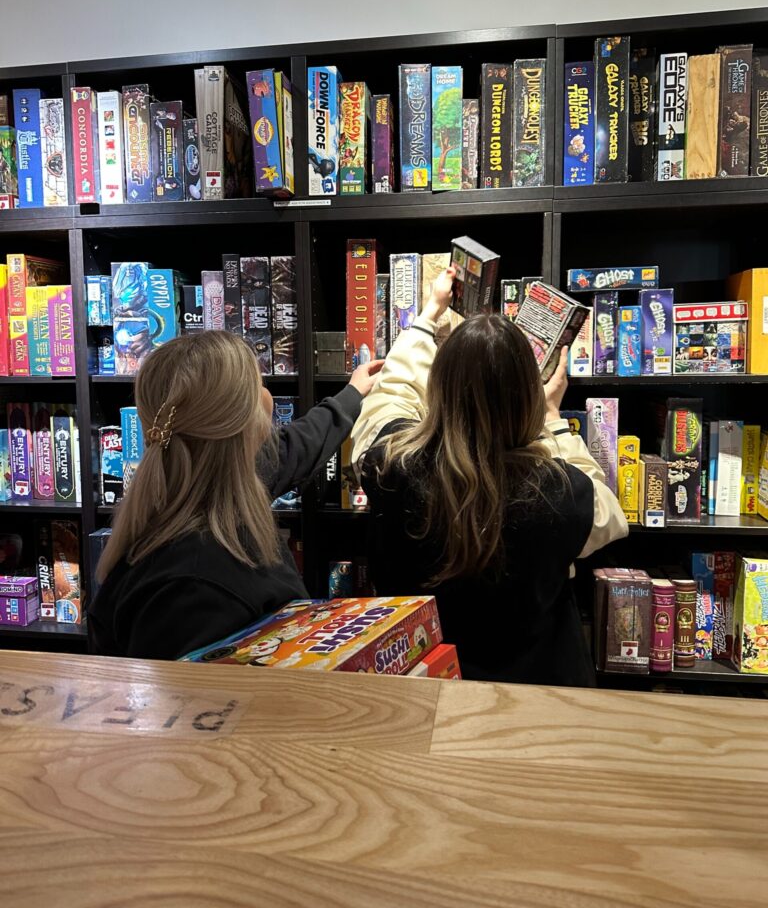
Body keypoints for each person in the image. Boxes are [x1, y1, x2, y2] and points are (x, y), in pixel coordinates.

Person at [351, 268, 628, 687]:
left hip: (419, 685)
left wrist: (428, 317)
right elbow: (609, 514)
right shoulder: (559, 491)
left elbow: (390, 397)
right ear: (527, 399)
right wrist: (552, 421)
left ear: (439, 388)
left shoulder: (391, 463)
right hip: (533, 699)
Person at [89, 330, 381, 660]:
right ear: (247, 424)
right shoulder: (193, 592)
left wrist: (353, 393)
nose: (268, 397)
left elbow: (298, 446)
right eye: (259, 385)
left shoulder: (217, 484)